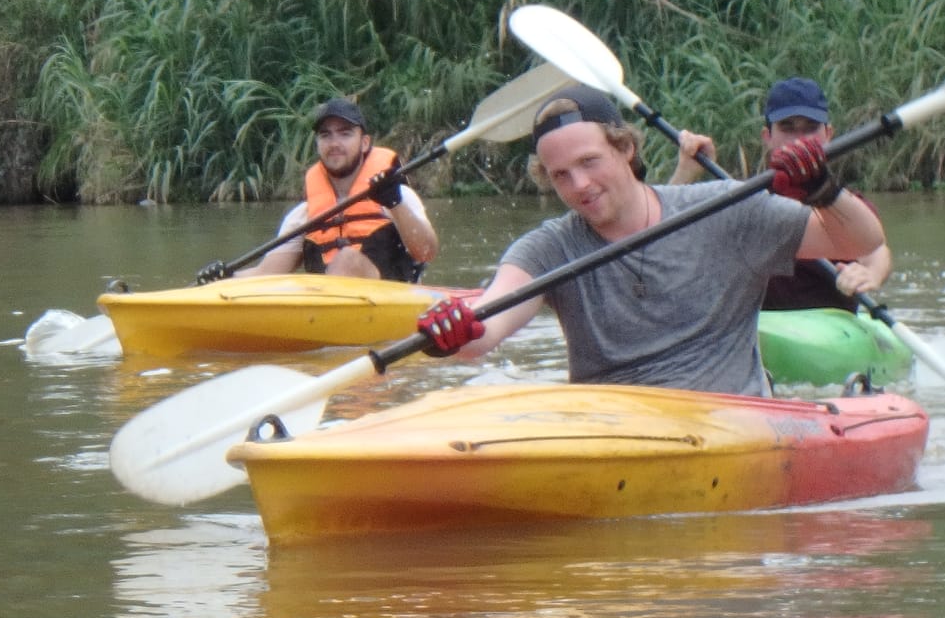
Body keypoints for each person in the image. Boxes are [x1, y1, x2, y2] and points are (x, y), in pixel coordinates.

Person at [413, 84, 886, 397]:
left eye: (590, 162)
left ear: (625, 149)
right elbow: (488, 327)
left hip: (733, 421)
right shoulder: (548, 248)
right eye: (560, 176)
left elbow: (860, 238)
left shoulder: (725, 208)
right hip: (617, 430)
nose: (579, 185)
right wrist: (459, 330)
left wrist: (824, 192)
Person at [670, 76, 892, 312]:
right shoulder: (743, 203)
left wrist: (870, 273)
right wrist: (685, 172)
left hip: (830, 326)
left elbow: (876, 250)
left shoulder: (849, 206)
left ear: (828, 134)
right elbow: (662, 237)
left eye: (810, 128)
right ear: (768, 137)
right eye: (787, 128)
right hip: (760, 326)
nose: (799, 139)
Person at [196, 98, 439, 283]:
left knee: (346, 258)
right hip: (327, 305)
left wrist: (394, 202)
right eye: (326, 135)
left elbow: (426, 252)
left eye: (345, 134)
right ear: (318, 144)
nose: (334, 144)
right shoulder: (304, 213)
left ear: (365, 143)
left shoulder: (397, 196)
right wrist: (226, 280)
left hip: (390, 302)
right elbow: (268, 273)